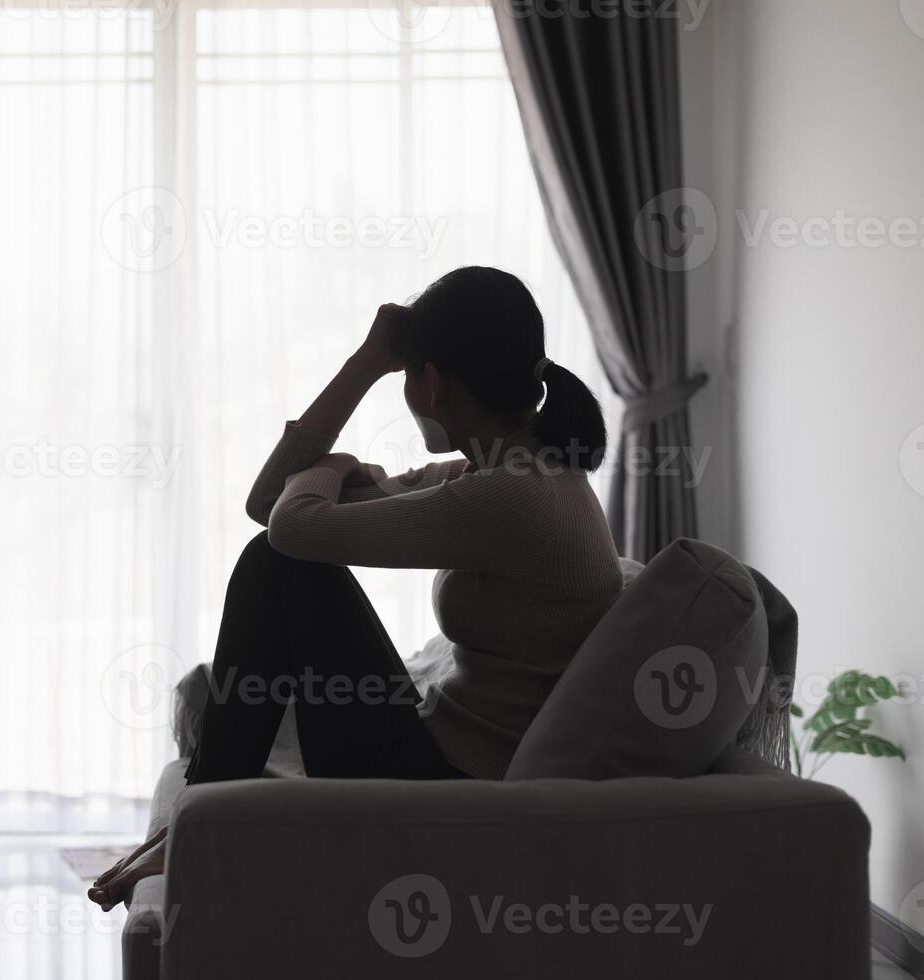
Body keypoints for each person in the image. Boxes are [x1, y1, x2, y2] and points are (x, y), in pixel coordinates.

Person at [89, 266, 624, 911]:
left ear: (428, 384)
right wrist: (367, 363)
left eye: (401, 376)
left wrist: (339, 457)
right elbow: (269, 502)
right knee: (277, 557)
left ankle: (201, 816)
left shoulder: (509, 497)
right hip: (441, 759)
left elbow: (288, 528)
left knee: (276, 563)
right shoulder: (501, 476)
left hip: (447, 788)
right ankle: (201, 812)